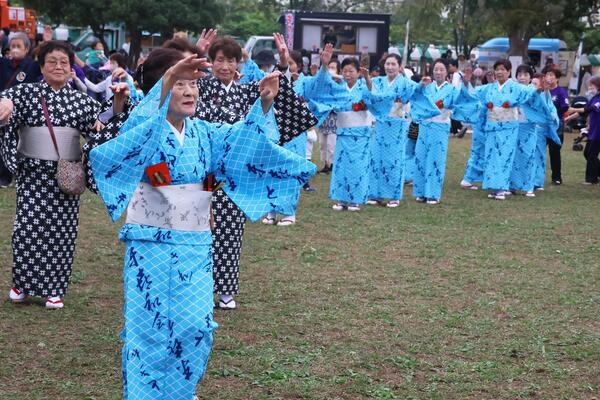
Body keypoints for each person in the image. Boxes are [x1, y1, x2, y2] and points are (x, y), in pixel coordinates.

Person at [89, 53, 315, 400]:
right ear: (160, 90)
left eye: (193, 83)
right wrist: (166, 81)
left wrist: (263, 105)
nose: (189, 91)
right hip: (151, 244)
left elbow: (236, 150)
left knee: (196, 326)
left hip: (195, 243)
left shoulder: (203, 131)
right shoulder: (143, 125)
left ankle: (181, 391)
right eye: (180, 83)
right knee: (150, 331)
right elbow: (127, 147)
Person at [196, 33, 316, 309]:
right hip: (207, 170)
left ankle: (226, 290)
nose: (225, 66)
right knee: (200, 224)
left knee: (231, 229)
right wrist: (195, 51)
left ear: (239, 63)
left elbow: (271, 88)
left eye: (230, 61)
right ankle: (200, 286)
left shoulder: (244, 90)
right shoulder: (200, 88)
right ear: (211, 62)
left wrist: (283, 64)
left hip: (236, 171)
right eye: (219, 60)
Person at [0, 40, 101, 308]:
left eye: (64, 62)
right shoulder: (24, 93)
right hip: (32, 173)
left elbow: (99, 128)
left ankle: (54, 289)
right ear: (42, 66)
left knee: (62, 232)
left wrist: (104, 121)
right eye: (52, 61)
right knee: (27, 230)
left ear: (71, 68)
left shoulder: (81, 100)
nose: (58, 66)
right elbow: (5, 104)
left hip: (65, 175)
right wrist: (4, 106)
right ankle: (21, 284)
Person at [300, 43, 391, 212]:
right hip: (342, 132)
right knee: (341, 166)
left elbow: (377, 97)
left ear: (358, 72)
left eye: (351, 71)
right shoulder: (339, 88)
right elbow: (323, 85)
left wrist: (368, 79)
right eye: (345, 71)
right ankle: (341, 199)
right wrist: (325, 64)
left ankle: (355, 200)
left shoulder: (364, 86)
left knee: (357, 166)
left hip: (361, 133)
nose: (348, 74)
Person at [476, 59, 556, 200]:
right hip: (495, 126)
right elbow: (476, 95)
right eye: (497, 69)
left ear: (508, 72)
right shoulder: (491, 87)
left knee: (521, 156)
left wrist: (538, 90)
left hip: (514, 127)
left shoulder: (519, 88)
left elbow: (531, 96)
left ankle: (527, 186)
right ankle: (501, 187)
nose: (500, 72)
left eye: (503, 69)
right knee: (495, 157)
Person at [367, 53, 439, 207]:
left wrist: (422, 85)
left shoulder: (405, 83)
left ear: (400, 67)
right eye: (387, 64)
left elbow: (416, 91)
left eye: (393, 64)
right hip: (380, 124)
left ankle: (394, 196)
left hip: (397, 125)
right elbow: (368, 89)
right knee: (376, 157)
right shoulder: (378, 81)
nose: (390, 67)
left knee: (394, 159)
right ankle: (375, 194)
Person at [411, 58, 480, 205]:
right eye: (436, 69)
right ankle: (421, 192)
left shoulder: (451, 89)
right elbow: (415, 97)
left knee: (435, 159)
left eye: (441, 69)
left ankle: (433, 194)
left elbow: (464, 98)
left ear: (446, 72)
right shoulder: (427, 87)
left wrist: (466, 83)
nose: (438, 72)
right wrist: (420, 86)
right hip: (425, 126)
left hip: (440, 126)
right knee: (421, 157)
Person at [508, 64, 559, 197]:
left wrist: (538, 92)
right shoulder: (513, 89)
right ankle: (511, 186)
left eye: (525, 75)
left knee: (529, 156)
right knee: (512, 157)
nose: (522, 77)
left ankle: (529, 186)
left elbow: (542, 106)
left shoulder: (535, 90)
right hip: (514, 127)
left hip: (529, 128)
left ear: (530, 77)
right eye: (519, 75)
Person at [0, 32, 41, 188]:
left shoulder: (31, 65)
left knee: (22, 142)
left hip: (24, 110)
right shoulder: (3, 63)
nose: (15, 50)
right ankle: (4, 175)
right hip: (4, 109)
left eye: (18, 46)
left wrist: (45, 42)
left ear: (26, 49)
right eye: (12, 46)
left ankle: (20, 171)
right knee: (4, 141)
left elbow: (43, 59)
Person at [568, 75, 600, 184]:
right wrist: (568, 117)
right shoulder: (594, 98)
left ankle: (591, 179)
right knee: (587, 153)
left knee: (591, 154)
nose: (590, 88)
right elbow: (583, 112)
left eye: (592, 86)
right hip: (593, 132)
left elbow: (589, 109)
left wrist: (573, 108)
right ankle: (595, 176)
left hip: (598, 133)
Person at [543, 65, 569, 185]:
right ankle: (537, 176)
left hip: (556, 127)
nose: (549, 77)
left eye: (552, 75)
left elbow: (565, 106)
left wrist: (554, 115)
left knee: (554, 152)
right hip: (542, 126)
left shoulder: (560, 91)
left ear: (557, 78)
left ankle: (556, 178)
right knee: (539, 151)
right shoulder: (542, 90)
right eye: (547, 75)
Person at [317, 59, 341, 174]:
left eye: (333, 67)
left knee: (332, 144)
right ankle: (326, 164)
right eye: (329, 67)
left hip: (334, 119)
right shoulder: (323, 84)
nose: (331, 70)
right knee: (322, 143)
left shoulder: (340, 85)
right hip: (323, 118)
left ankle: (332, 165)